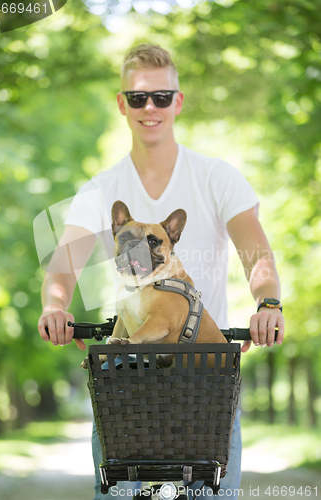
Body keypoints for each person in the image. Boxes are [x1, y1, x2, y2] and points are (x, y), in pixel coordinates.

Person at [38, 44, 285, 499]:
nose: (150, 108)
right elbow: (65, 260)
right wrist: (56, 306)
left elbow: (257, 252)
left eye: (161, 96)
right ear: (121, 103)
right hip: (128, 381)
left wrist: (267, 303)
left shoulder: (217, 177)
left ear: (178, 101)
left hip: (204, 379)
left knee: (211, 493)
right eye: (137, 98)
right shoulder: (101, 188)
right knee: (118, 492)